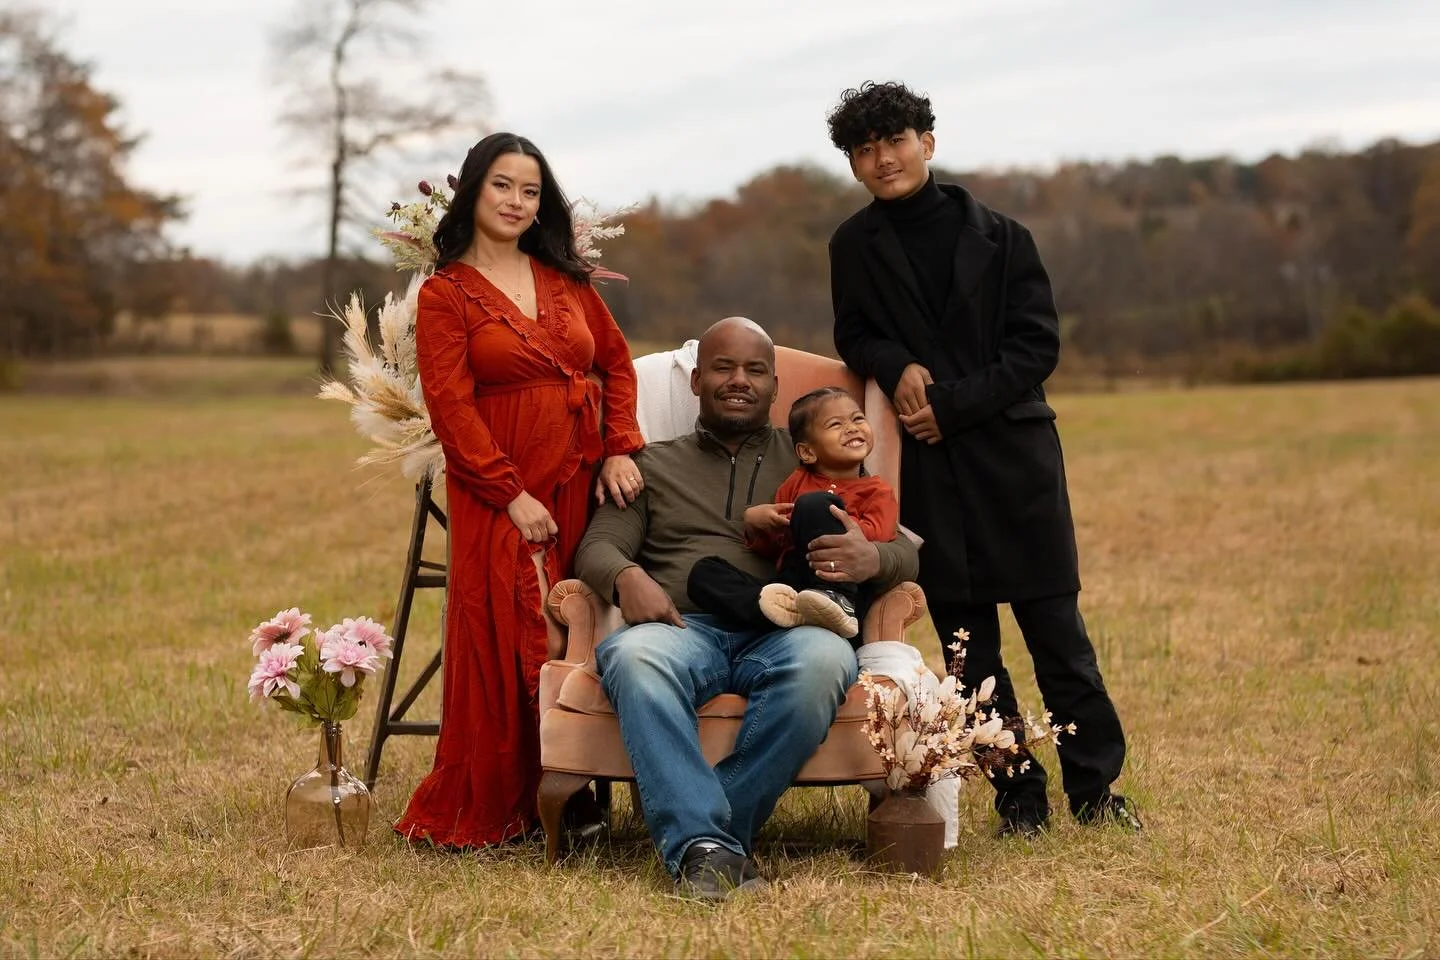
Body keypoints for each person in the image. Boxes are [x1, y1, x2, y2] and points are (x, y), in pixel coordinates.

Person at [825, 82, 1141, 836]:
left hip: (1014, 462)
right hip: (930, 473)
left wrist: (952, 404)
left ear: (927, 143)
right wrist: (896, 363)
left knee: (1059, 639)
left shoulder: (1004, 237)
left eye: (894, 141)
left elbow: (1037, 347)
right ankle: (1018, 798)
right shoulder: (851, 246)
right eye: (864, 151)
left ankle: (1096, 793)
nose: (882, 159)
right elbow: (853, 334)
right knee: (968, 652)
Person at [573, 317, 920, 900]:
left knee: (825, 661)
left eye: (755, 370)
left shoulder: (814, 454)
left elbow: (902, 548)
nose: (739, 380)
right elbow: (598, 545)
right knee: (631, 657)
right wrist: (625, 575)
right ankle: (710, 842)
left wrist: (873, 561)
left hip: (790, 627)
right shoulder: (650, 463)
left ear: (774, 386)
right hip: (682, 625)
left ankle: (703, 840)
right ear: (696, 381)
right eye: (723, 368)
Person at [394, 132, 645, 848]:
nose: (515, 201)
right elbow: (451, 406)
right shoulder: (446, 294)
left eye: (530, 191)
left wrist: (620, 448)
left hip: (579, 480)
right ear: (474, 191)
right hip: (502, 491)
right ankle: (521, 798)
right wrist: (510, 493)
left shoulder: (568, 280)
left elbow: (618, 367)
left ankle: (576, 789)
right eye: (502, 185)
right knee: (518, 626)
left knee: (578, 626)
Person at [686, 385, 899, 640]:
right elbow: (777, 546)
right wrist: (757, 524)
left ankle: (834, 603)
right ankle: (780, 614)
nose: (852, 427)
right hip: (793, 582)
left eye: (857, 419)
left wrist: (833, 524)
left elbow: (881, 535)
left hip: (845, 583)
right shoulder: (796, 482)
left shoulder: (877, 491)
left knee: (818, 505)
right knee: (704, 573)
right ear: (807, 452)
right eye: (836, 424)